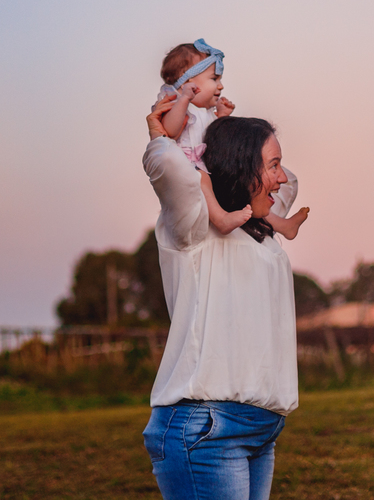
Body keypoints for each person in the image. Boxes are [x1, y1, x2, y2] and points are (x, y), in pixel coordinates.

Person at [142, 99, 302, 500]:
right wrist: (165, 137)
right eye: (273, 165)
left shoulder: (260, 231)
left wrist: (223, 127)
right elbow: (171, 168)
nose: (282, 177)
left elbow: (290, 184)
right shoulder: (194, 229)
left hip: (260, 429)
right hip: (207, 428)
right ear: (238, 167)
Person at [156, 39, 309, 239]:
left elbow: (216, 138)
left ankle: (281, 224)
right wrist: (184, 99)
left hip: (211, 165)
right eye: (214, 79)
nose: (220, 86)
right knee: (202, 178)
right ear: (187, 82)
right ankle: (220, 219)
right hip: (191, 167)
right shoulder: (175, 103)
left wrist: (222, 117)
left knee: (250, 186)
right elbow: (170, 130)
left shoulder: (205, 112)